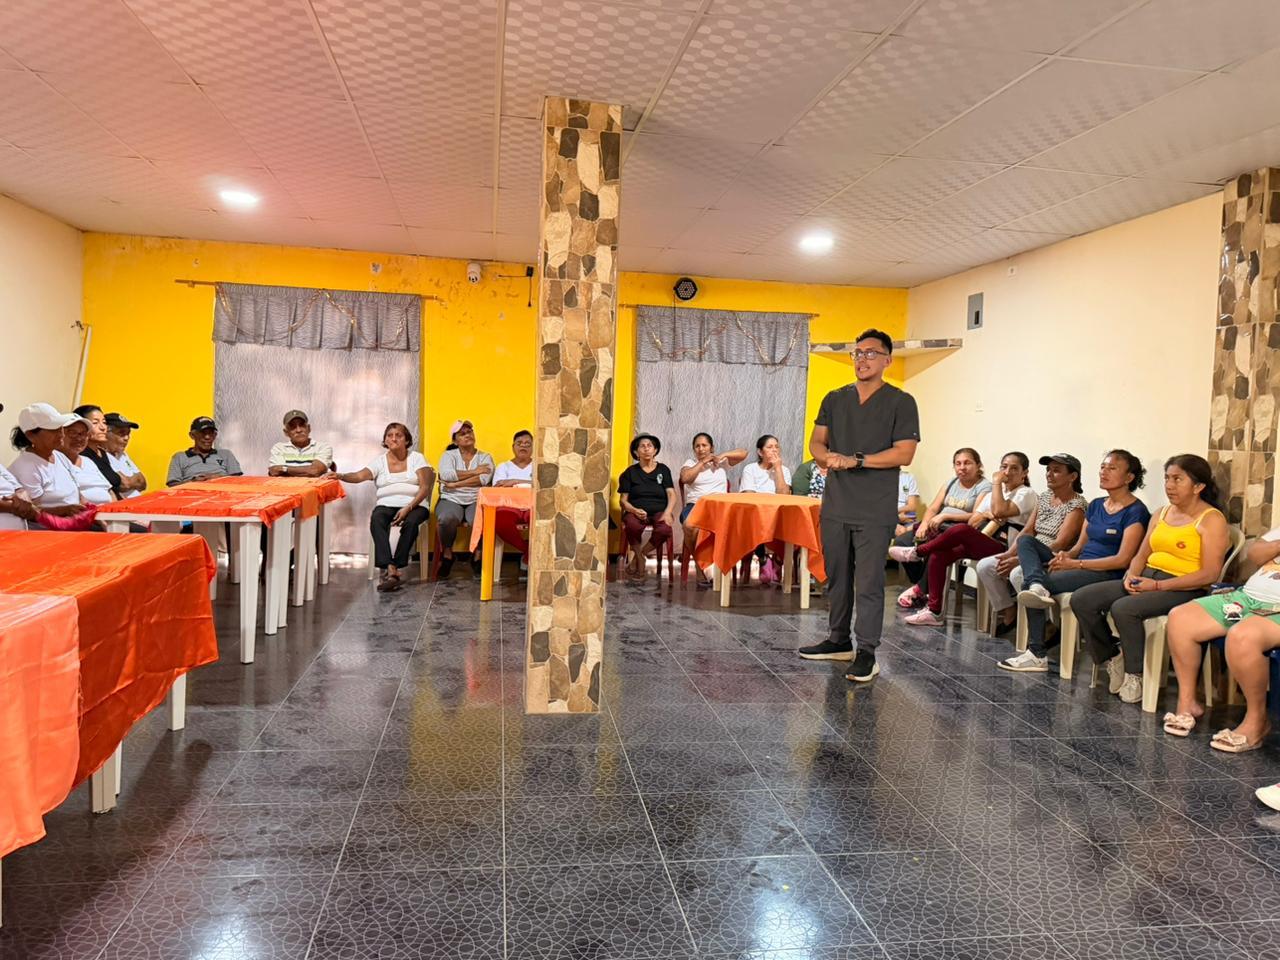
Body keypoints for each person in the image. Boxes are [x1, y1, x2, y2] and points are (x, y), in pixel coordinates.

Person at [799, 329, 920, 682]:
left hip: (874, 508)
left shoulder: (901, 401)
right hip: (837, 505)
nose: (862, 359)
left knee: (868, 583)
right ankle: (839, 640)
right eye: (857, 353)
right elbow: (817, 442)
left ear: (887, 360)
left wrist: (857, 460)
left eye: (870, 353)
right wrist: (827, 458)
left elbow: (904, 453)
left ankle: (867, 651)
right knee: (837, 577)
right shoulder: (835, 398)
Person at [1071, 454, 1228, 705]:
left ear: (1198, 486)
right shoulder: (1161, 513)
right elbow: (1142, 554)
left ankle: (1135, 675)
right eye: (1167, 478)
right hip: (1147, 578)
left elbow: (1209, 574)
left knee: (1124, 608)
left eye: (1177, 479)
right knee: (1082, 599)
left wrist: (1157, 585)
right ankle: (1111, 656)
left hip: (1184, 587)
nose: (1169, 485)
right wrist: (1131, 575)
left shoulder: (1211, 519)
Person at [1000, 450, 1150, 672]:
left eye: (1112, 468)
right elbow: (1079, 547)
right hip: (1080, 565)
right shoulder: (1097, 505)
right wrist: (1066, 556)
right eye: (1102, 467)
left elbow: (1122, 559)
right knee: (1026, 542)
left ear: (1129, 477)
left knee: (1029, 584)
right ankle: (1037, 586)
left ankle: (1037, 653)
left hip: (1105, 572)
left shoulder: (1136, 511)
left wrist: (1075, 564)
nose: (1103, 472)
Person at [1162, 523, 1279, 749]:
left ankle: (1257, 721)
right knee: (1181, 618)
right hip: (1248, 599)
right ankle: (1187, 703)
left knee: (1242, 636)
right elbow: (1256, 554)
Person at [889, 451, 1037, 626]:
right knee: (939, 554)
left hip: (1005, 547)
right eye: (1004, 467)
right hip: (985, 539)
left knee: (960, 529)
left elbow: (1000, 510)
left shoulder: (1026, 493)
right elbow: (974, 520)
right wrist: (987, 514)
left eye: (1014, 468)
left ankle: (917, 552)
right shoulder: (994, 494)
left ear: (1024, 473)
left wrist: (996, 484)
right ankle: (934, 612)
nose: (1007, 472)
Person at [976, 454, 1087, 636]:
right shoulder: (1044, 497)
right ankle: (1009, 610)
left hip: (1051, 556)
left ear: (1072, 477)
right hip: (1028, 549)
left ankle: (1046, 624)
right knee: (986, 566)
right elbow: (1028, 530)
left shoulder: (1077, 505)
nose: (1049, 474)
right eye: (1048, 470)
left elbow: (1061, 543)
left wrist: (1020, 560)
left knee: (1017, 573)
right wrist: (1010, 554)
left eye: (1056, 471)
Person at [333, 422, 433, 591]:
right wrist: (340, 475)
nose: (393, 439)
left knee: (411, 522)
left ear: (407, 440)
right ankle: (390, 568)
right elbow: (359, 476)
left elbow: (425, 488)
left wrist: (408, 508)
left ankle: (397, 564)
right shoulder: (379, 462)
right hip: (387, 504)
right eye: (389, 435)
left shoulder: (417, 458)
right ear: (385, 440)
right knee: (377, 518)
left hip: (415, 504)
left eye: (398, 435)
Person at [895, 448, 992, 607]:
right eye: (958, 464)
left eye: (967, 463)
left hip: (957, 531)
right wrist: (924, 524)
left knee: (934, 548)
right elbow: (933, 508)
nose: (962, 467)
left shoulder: (984, 486)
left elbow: (976, 515)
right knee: (902, 542)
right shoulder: (951, 482)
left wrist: (945, 516)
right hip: (936, 525)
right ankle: (922, 586)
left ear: (978, 465)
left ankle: (921, 590)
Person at [678, 433, 746, 588]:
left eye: (704, 445)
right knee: (689, 526)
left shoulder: (721, 462)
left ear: (711, 447)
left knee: (735, 526)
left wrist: (722, 455)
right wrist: (702, 463)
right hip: (696, 504)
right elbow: (685, 478)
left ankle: (716, 566)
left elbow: (743, 453)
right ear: (694, 449)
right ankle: (701, 565)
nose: (701, 449)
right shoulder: (690, 463)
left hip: (720, 507)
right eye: (697, 446)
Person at [8, 403, 93, 519]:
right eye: (53, 430)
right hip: (49, 527)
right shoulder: (26, 468)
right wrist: (64, 511)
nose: (61, 434)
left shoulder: (59, 456)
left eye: (61, 428)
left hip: (75, 522)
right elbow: (30, 511)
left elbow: (77, 493)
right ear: (31, 436)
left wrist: (89, 510)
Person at [436, 419, 495, 578]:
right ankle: (447, 554)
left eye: (469, 432)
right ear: (455, 441)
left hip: (476, 499)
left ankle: (477, 555)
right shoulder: (448, 455)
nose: (467, 435)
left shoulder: (485, 457)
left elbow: (484, 479)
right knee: (446, 518)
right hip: (451, 499)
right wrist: (475, 472)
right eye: (462, 434)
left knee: (481, 520)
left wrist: (456, 484)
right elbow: (446, 475)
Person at [618, 433, 677, 580]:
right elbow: (623, 501)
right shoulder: (630, 473)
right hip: (636, 511)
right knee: (631, 525)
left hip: (659, 511)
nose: (646, 449)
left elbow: (672, 494)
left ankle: (639, 557)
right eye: (642, 446)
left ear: (655, 450)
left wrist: (668, 512)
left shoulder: (663, 470)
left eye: (649, 446)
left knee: (664, 528)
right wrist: (633, 510)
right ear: (636, 452)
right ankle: (640, 559)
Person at [492, 429, 534, 563]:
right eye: (519, 443)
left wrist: (514, 482)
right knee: (500, 521)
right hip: (509, 506)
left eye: (527, 444)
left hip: (532, 506)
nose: (523, 446)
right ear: (513, 447)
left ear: (533, 447)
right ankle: (528, 551)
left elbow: (543, 487)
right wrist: (529, 484)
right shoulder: (503, 467)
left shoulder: (539, 466)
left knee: (541, 520)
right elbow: (498, 488)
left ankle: (531, 555)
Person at [57, 414, 116, 505]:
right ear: (59, 435)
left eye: (84, 434)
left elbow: (109, 490)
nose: (79, 438)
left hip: (108, 510)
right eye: (72, 433)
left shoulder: (88, 461)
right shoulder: (55, 462)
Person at [167, 417, 243, 485]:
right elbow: (172, 485)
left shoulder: (226, 454)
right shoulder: (180, 457)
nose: (207, 437)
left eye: (211, 433)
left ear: (215, 435)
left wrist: (218, 478)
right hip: (192, 494)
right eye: (203, 433)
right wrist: (192, 482)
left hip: (223, 493)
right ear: (192, 435)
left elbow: (238, 481)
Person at [74, 404, 124, 497]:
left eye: (104, 422)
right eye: (95, 423)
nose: (103, 427)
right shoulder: (80, 454)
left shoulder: (102, 452)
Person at [268, 409, 333, 478]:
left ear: (309, 428)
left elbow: (315, 471)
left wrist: (284, 469)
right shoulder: (279, 448)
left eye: (302, 425)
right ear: (286, 432)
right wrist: (307, 470)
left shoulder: (322, 447)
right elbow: (275, 472)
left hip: (314, 485)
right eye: (293, 427)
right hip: (286, 485)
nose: (298, 430)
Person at [104, 412, 146, 498]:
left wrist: (129, 481)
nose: (126, 438)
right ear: (106, 433)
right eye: (121, 433)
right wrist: (134, 480)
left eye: (128, 433)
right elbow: (124, 484)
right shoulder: (101, 456)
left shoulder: (122, 455)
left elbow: (143, 482)